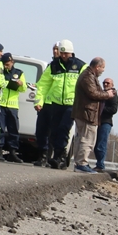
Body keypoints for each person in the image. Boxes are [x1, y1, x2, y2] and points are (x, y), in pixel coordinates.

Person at [34, 39, 86, 168]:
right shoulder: (53, 66)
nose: (63, 56)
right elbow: (43, 85)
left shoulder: (81, 66)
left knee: (64, 129)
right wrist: (39, 101)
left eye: (66, 53)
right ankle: (55, 158)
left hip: (72, 105)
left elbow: (86, 86)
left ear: (71, 53)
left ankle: (60, 156)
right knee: (55, 131)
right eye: (61, 53)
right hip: (56, 104)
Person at [70, 57, 116, 173]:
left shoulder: (89, 76)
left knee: (81, 138)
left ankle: (79, 163)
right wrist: (107, 95)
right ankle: (82, 163)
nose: (103, 70)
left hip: (85, 112)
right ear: (97, 67)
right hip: (87, 113)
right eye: (103, 67)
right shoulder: (87, 76)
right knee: (87, 139)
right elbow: (93, 93)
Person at [0, 53, 28, 163]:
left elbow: (24, 88)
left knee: (13, 130)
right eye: (4, 64)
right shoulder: (0, 71)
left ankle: (12, 152)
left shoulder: (19, 73)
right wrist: (7, 83)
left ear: (12, 62)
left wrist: (20, 84)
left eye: (7, 64)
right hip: (1, 104)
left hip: (13, 106)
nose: (6, 66)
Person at [94, 76, 118, 172]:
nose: (105, 84)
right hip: (97, 121)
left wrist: (100, 109)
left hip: (106, 122)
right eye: (104, 82)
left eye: (107, 83)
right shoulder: (101, 94)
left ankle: (100, 165)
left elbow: (114, 109)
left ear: (112, 85)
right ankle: (98, 164)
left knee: (101, 144)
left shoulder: (113, 96)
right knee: (95, 144)